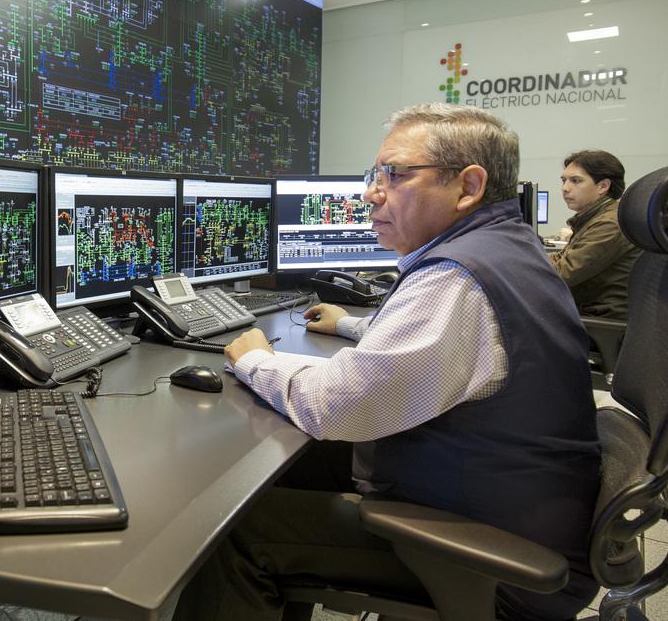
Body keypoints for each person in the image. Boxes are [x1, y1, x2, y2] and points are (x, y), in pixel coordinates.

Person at [172, 104, 600, 621]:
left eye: (394, 175)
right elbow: (453, 349)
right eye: (375, 175)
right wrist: (351, 324)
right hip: (510, 501)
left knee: (233, 528)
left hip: (492, 558)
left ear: (468, 186)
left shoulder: (455, 280)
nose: (371, 193)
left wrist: (257, 358)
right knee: (286, 466)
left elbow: (331, 407)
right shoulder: (502, 248)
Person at [549, 150, 639, 320]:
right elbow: (561, 260)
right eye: (564, 180)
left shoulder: (610, 224)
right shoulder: (596, 218)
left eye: (575, 181)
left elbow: (561, 274)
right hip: (587, 312)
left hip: (599, 320)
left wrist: (521, 261)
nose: (565, 188)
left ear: (603, 186)